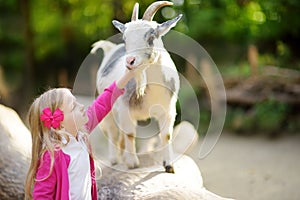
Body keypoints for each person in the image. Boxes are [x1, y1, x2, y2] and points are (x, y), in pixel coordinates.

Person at [24, 70, 134, 200]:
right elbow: (41, 196)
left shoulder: (81, 133)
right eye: (73, 107)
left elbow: (102, 104)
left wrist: (127, 74)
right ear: (60, 124)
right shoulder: (52, 156)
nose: (81, 106)